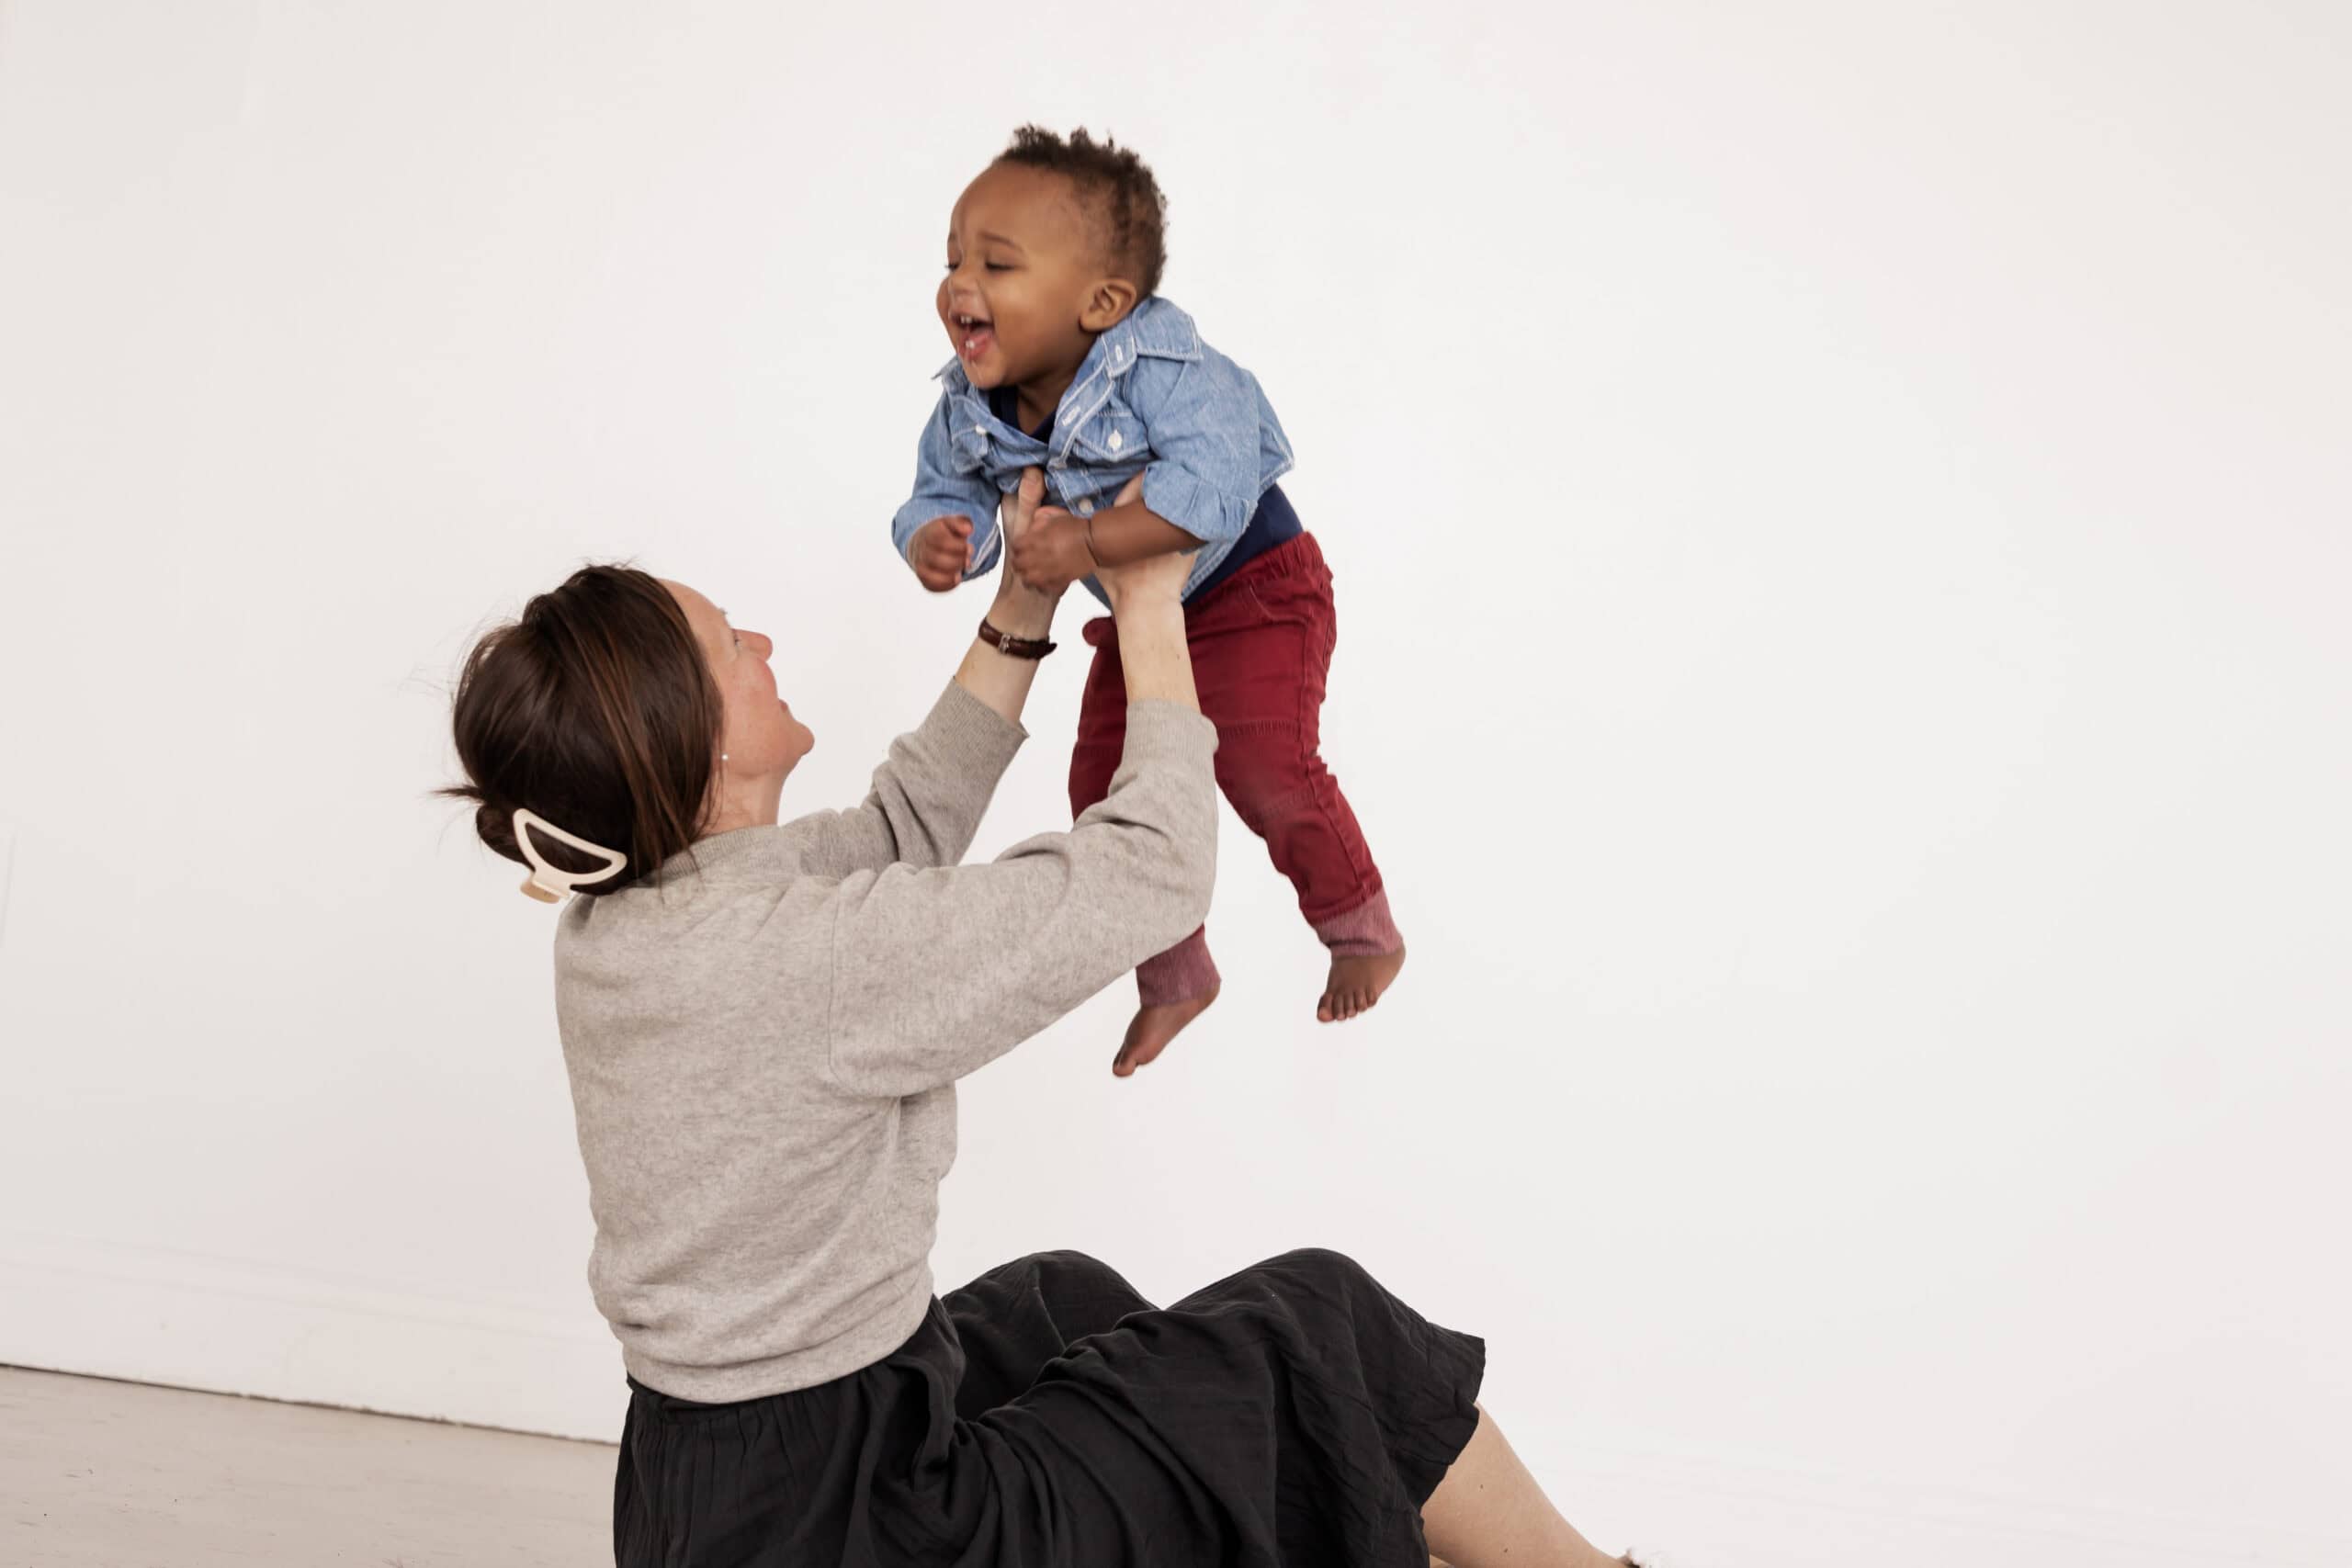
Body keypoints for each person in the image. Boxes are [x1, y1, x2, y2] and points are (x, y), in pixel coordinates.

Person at [444, 472, 1654, 1567]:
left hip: (698, 1498)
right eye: (728, 644)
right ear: (700, 743)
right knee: (1324, 1325)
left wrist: (1023, 599)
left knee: (1059, 1302)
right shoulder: (810, 960)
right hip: (865, 1524)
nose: (760, 640)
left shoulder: (625, 923)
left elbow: (899, 832)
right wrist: (1151, 604)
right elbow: (1152, 873)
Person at [892, 125, 1406, 1077]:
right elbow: (938, 488)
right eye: (952, 259)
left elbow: (1212, 491)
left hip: (1254, 587)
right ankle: (1174, 974)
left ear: (1102, 303)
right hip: (1140, 617)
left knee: (1261, 759)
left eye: (996, 264)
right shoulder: (969, 404)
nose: (960, 285)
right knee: (1100, 789)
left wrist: (1086, 544)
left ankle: (1357, 921)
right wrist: (936, 539)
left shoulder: (1169, 369)